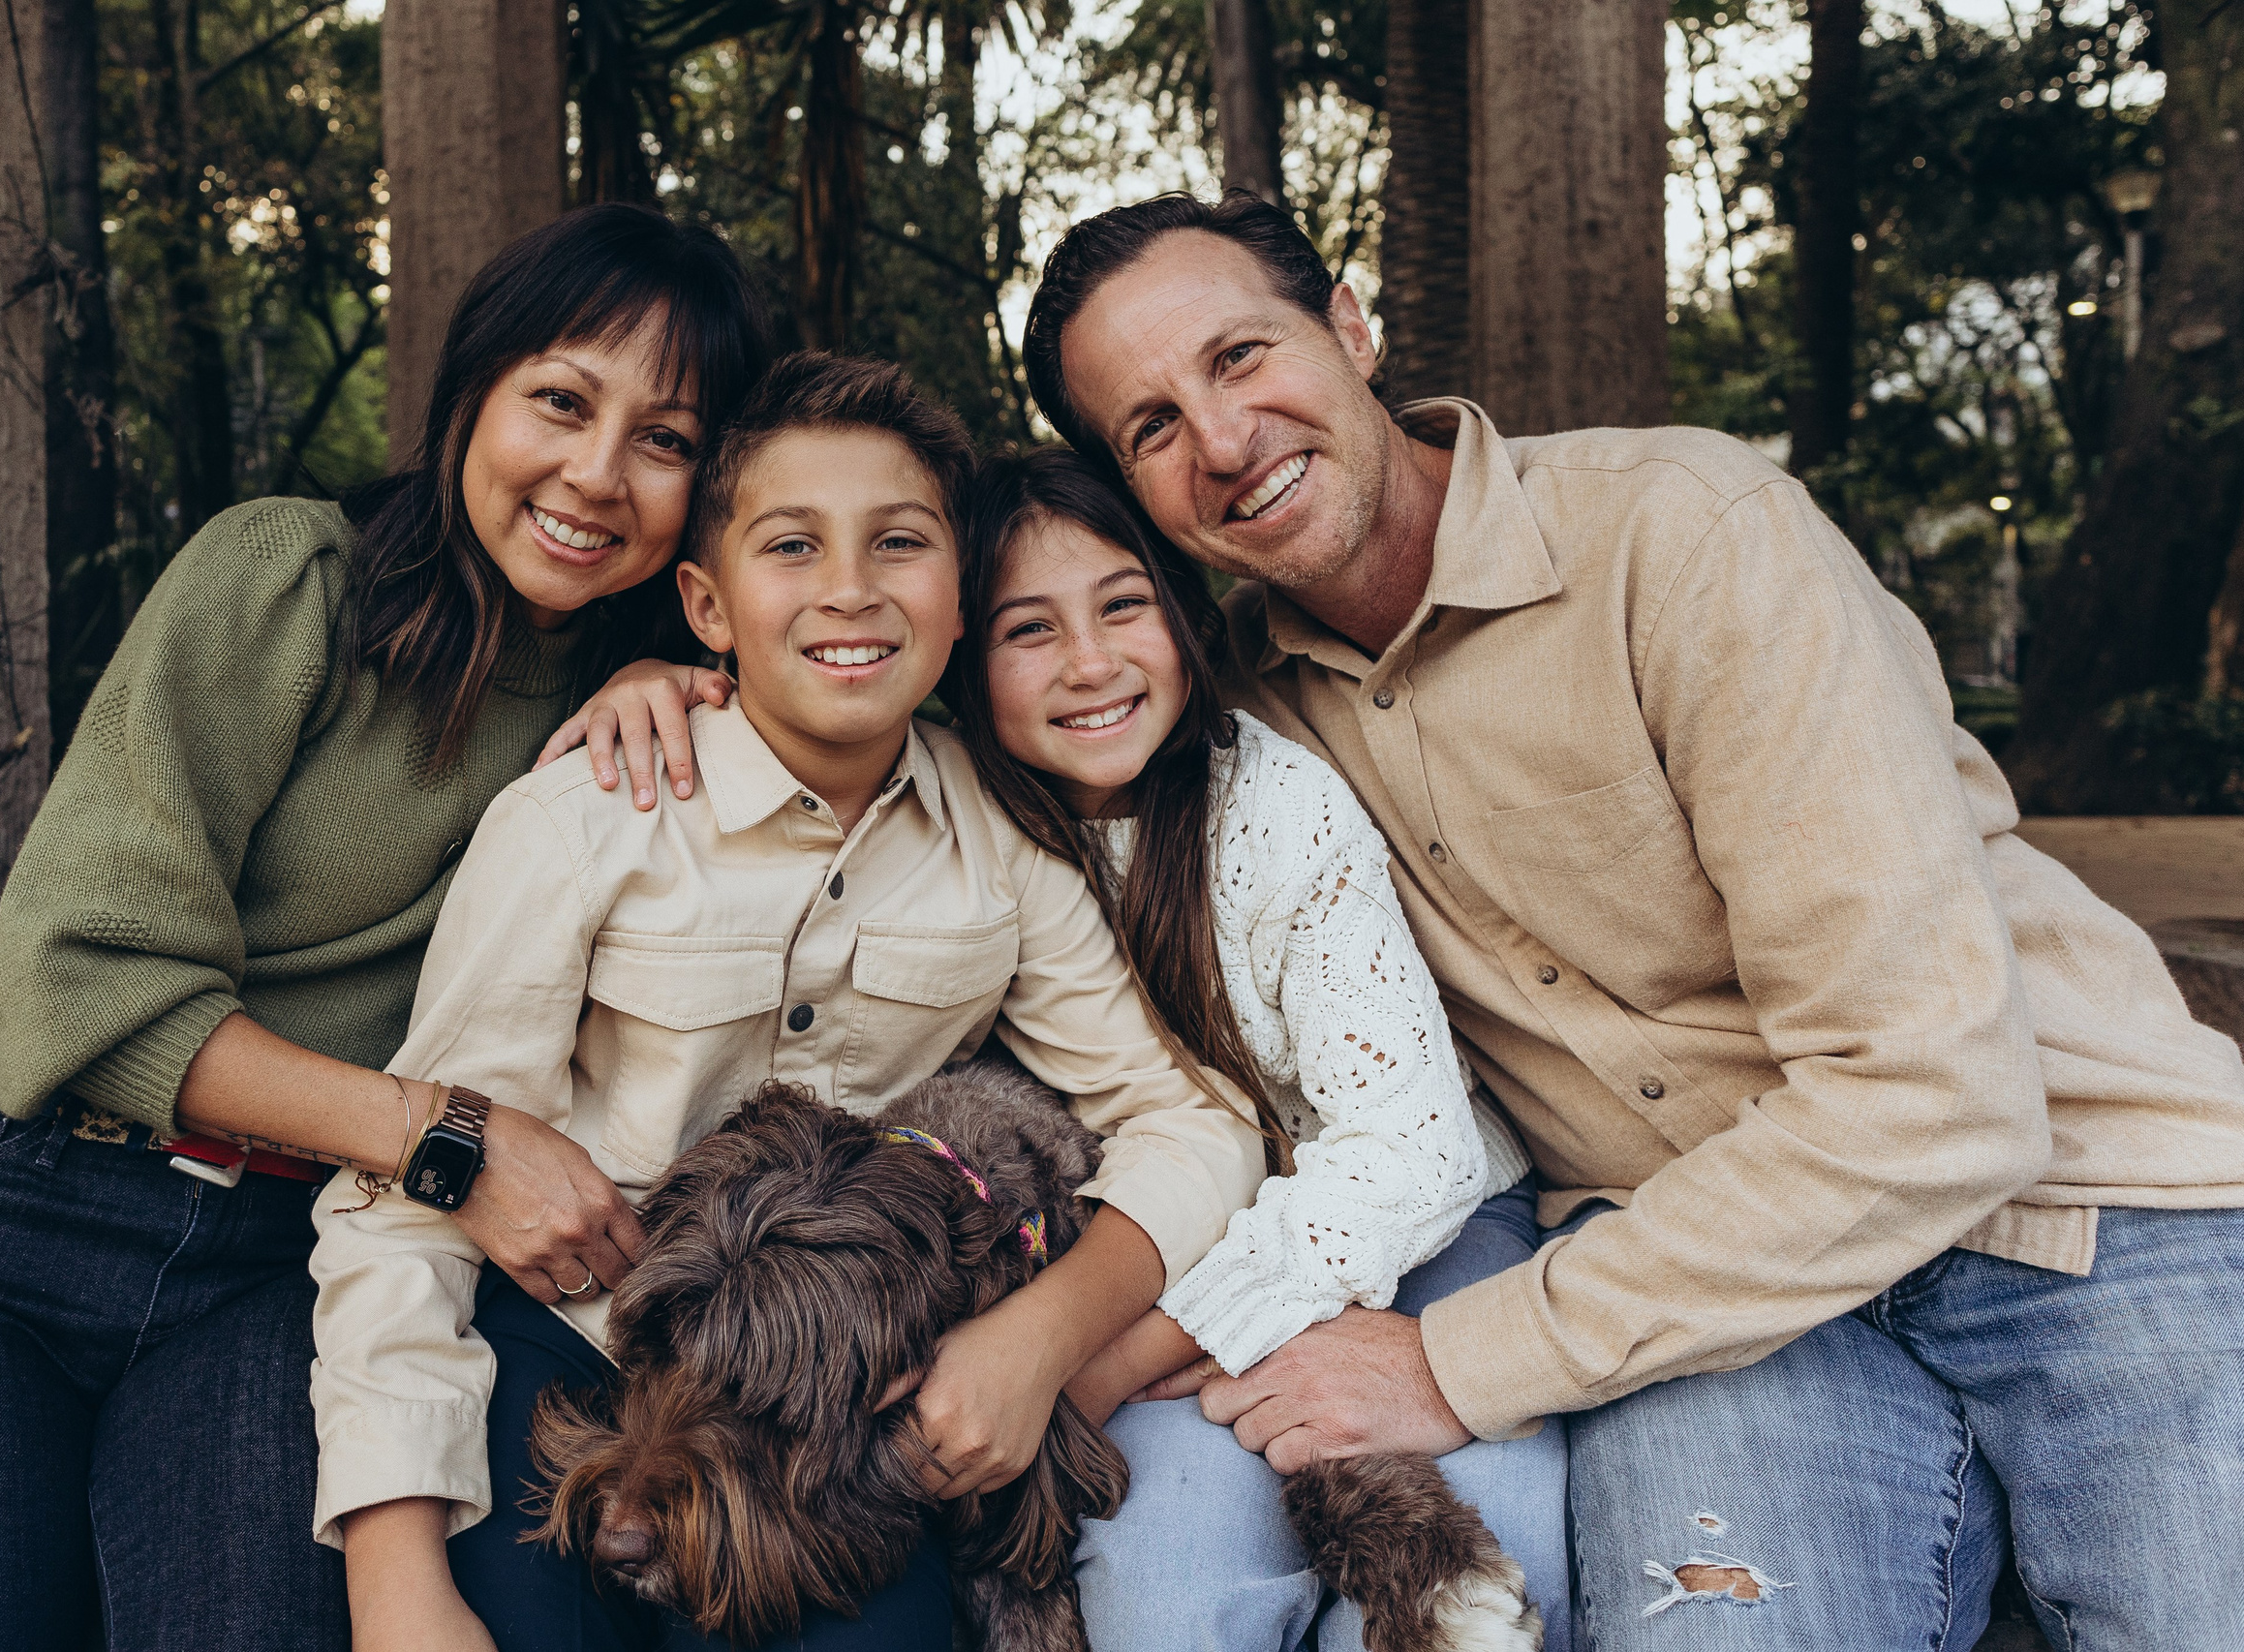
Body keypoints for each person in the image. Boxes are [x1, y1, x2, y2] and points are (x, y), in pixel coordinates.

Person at [575, 190, 2244, 1650]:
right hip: (1711, 1288)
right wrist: (688, 681)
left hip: (2078, 1206)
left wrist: (1461, 1356)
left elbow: (1934, 1090)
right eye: (1152, 426)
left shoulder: (1686, 538)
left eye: (1241, 359)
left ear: (1352, 327)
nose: (1219, 440)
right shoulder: (1220, 709)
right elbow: (912, 680)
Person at [0, 203, 770, 1652]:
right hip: (9, 1195)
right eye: (560, 399)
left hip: (272, 1265)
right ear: (472, 390)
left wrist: (682, 678)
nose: (595, 473)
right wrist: (454, 1140)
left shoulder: (644, 720)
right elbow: (82, 978)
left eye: (666, 440)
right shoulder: (295, 578)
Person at [308, 352, 1264, 1652]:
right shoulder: (583, 821)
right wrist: (395, 1573)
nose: (851, 588)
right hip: (565, 1351)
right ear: (705, 601)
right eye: (794, 546)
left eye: (901, 543)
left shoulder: (1001, 836)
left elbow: (1192, 1122)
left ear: (959, 593)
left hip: (819, 1409)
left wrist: (1044, 1336)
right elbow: (409, 1195)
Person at [940, 445, 1570, 1649]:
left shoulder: (1275, 808)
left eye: (1124, 605)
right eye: (1028, 629)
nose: (1090, 662)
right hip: (1146, 1262)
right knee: (1162, 1593)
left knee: (1509, 1547)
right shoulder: (961, 825)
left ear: (1182, 611)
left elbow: (1412, 1151)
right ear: (959, 662)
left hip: (1413, 1229)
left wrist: (1121, 1356)